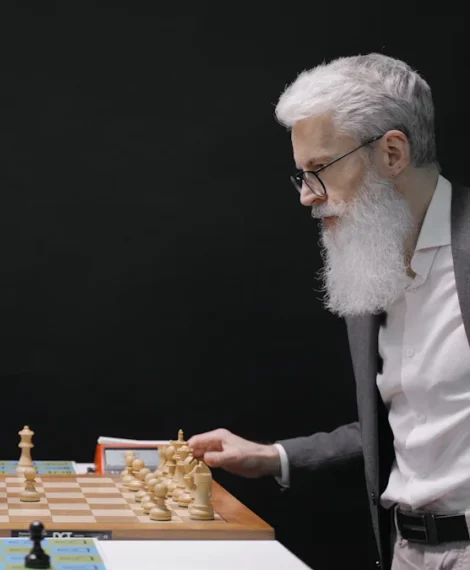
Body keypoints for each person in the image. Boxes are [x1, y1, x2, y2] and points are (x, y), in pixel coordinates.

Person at [188, 53, 470, 570]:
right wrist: (274, 457)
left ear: (391, 153)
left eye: (319, 169)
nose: (306, 197)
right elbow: (401, 426)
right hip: (403, 552)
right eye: (302, 175)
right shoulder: (373, 262)